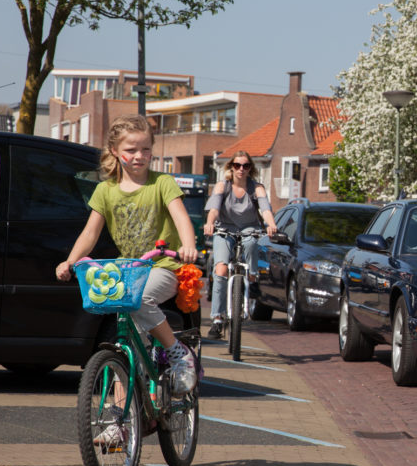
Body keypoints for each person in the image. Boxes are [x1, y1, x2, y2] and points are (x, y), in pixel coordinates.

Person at [56, 114, 199, 446]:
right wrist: (71, 261)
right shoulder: (106, 191)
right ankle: (116, 423)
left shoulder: (162, 184)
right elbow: (90, 234)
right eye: (132, 149)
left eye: (146, 149)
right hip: (128, 270)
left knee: (141, 299)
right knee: (126, 349)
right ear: (115, 150)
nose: (139, 156)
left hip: (163, 267)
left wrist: (188, 245)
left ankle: (176, 351)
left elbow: (181, 217)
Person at [202, 151, 278, 338]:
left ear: (250, 168)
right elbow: (214, 209)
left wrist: (271, 224)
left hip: (248, 228)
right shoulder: (223, 186)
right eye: (237, 165)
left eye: (245, 166)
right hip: (224, 229)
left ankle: (252, 275)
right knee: (220, 270)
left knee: (252, 242)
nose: (241, 169)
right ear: (231, 167)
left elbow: (265, 209)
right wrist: (210, 222)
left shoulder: (257, 188)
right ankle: (217, 319)